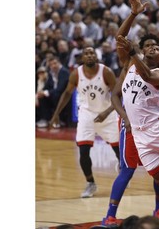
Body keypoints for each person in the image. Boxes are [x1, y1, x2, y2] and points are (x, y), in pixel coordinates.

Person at [101, 37, 159, 228]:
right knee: (127, 169)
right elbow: (115, 97)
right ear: (142, 50)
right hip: (132, 127)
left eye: (155, 45)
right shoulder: (131, 67)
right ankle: (110, 216)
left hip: (153, 128)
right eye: (148, 45)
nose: (152, 47)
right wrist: (125, 118)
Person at [48, 47, 120, 198]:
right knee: (83, 150)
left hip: (107, 114)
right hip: (86, 115)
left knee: (118, 150)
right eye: (86, 53)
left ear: (96, 56)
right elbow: (67, 93)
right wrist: (56, 114)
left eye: (92, 53)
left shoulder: (106, 72)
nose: (89, 55)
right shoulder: (76, 74)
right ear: (81, 58)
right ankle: (90, 183)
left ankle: (122, 170)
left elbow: (117, 95)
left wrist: (106, 113)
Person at [36, 56, 70, 128]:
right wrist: (41, 92)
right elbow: (47, 86)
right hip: (54, 94)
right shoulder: (51, 73)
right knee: (42, 96)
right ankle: (45, 119)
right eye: (51, 65)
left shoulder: (64, 72)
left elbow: (60, 88)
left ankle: (59, 120)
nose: (53, 66)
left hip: (64, 96)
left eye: (55, 63)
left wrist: (45, 92)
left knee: (55, 95)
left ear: (59, 63)